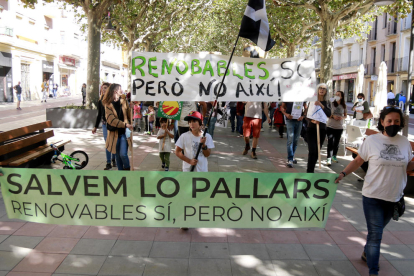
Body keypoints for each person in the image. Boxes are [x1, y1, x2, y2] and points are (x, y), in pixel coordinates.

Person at [335, 107, 414, 276]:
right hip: (373, 196)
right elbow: (358, 161)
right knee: (376, 235)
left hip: (395, 197)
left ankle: (367, 252)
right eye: (389, 121)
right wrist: (343, 173)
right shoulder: (372, 141)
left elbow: (407, 166)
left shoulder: (404, 142)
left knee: (375, 232)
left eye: (397, 121)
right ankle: (373, 271)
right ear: (382, 122)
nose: (393, 124)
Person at [102, 83, 133, 171]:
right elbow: (111, 120)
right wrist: (125, 124)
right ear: (116, 91)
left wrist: (132, 109)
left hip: (124, 133)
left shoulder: (124, 100)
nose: (122, 90)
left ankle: (127, 170)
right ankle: (120, 173)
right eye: (120, 89)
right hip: (114, 133)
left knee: (123, 154)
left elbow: (128, 115)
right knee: (118, 155)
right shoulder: (107, 104)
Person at [306, 83, 332, 173]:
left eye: (324, 89)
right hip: (311, 129)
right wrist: (312, 121)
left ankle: (311, 169)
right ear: (317, 89)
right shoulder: (312, 101)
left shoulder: (327, 102)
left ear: (326, 91)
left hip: (321, 129)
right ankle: (309, 171)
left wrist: (321, 105)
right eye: (320, 88)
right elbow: (307, 114)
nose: (321, 90)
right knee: (312, 150)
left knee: (317, 151)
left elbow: (329, 114)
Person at [92, 82, 116, 170]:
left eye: (105, 88)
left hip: (113, 124)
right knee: (107, 143)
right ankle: (108, 162)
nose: (103, 89)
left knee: (113, 142)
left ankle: (114, 159)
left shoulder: (113, 99)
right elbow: (99, 114)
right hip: (105, 124)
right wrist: (95, 126)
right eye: (103, 88)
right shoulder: (101, 99)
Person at [280, 101, 306, 168]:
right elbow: (282, 108)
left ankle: (292, 155)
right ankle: (290, 159)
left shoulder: (302, 97)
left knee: (296, 140)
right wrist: (286, 114)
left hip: (299, 120)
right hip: (290, 120)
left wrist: (303, 116)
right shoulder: (288, 96)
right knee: (290, 139)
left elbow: (306, 108)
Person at [326, 91, 347, 166]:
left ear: (341, 97)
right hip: (330, 126)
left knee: (336, 143)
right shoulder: (331, 104)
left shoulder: (343, 105)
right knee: (330, 143)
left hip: (339, 127)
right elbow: (327, 114)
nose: (337, 96)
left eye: (338, 95)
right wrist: (333, 116)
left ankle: (334, 156)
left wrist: (342, 117)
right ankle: (328, 158)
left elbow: (345, 115)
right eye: (336, 94)